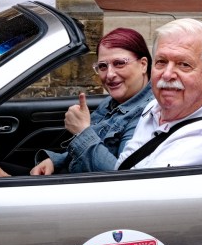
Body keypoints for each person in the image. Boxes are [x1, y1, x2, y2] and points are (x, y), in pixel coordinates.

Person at [116, 18, 202, 169]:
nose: (167, 74)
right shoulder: (153, 108)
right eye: (161, 62)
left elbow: (139, 184)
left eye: (184, 65)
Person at [29, 28, 153, 175]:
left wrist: (82, 131)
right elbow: (88, 147)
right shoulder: (111, 102)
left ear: (143, 64)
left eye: (119, 63)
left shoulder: (150, 112)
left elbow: (121, 176)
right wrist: (55, 161)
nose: (110, 74)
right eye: (103, 66)